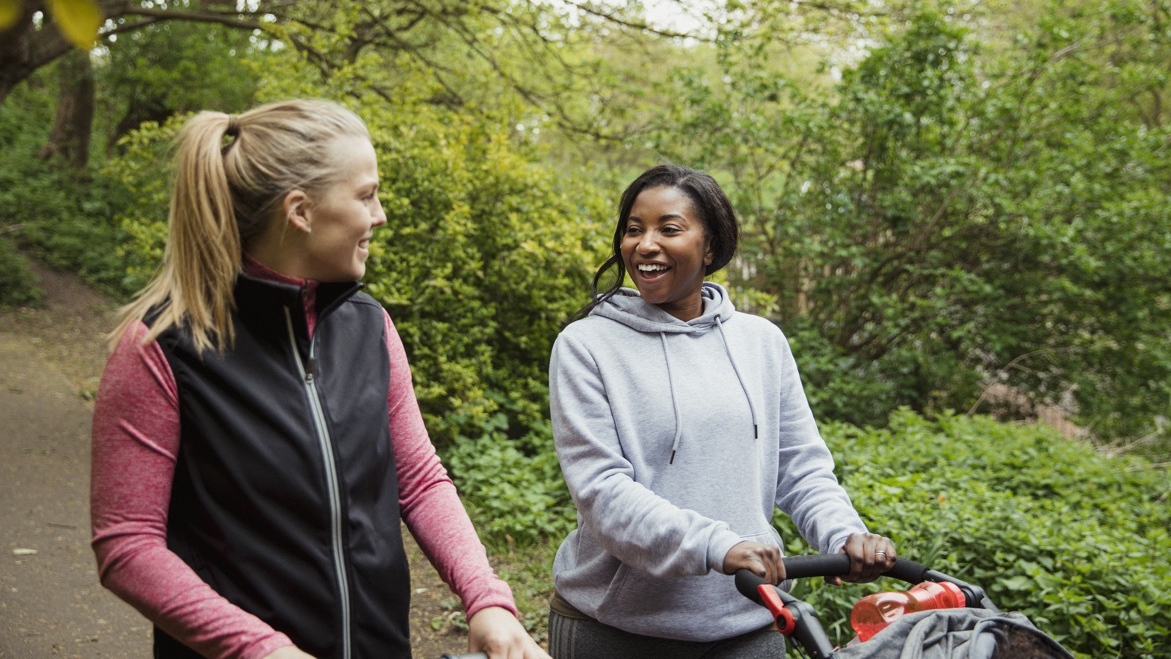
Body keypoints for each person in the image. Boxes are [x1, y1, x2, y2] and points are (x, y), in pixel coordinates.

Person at [90, 100, 550, 659]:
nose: (379, 215)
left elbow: (420, 480)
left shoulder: (370, 328)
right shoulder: (160, 347)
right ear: (301, 210)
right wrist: (262, 651)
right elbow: (128, 546)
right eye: (365, 195)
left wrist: (487, 601)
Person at [547, 164, 895, 659]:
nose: (645, 244)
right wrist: (718, 546)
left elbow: (801, 467)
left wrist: (845, 534)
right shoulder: (586, 346)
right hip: (618, 628)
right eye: (633, 229)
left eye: (669, 229)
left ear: (710, 248)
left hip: (748, 622)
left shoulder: (761, 343)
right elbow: (602, 492)